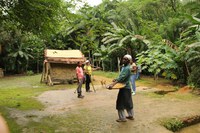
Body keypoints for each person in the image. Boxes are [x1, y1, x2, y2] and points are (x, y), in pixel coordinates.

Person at [107, 54, 134, 122]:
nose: (123, 60)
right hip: (126, 88)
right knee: (128, 102)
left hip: (125, 88)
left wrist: (112, 84)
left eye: (125, 59)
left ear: (128, 61)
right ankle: (131, 115)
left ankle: (122, 118)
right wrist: (116, 79)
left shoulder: (127, 68)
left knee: (120, 103)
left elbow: (122, 78)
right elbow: (121, 76)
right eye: (123, 59)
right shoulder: (124, 67)